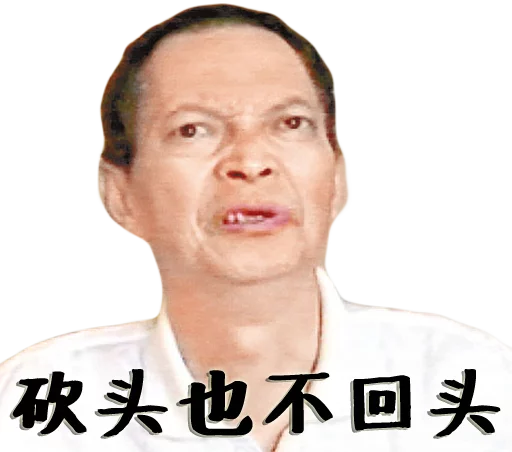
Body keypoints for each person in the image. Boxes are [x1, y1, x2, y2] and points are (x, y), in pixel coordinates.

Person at [0, 3, 511, 452]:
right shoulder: (37, 410)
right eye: (192, 130)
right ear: (120, 193)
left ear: (335, 178)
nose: (249, 161)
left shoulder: (470, 387)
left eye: (290, 124)